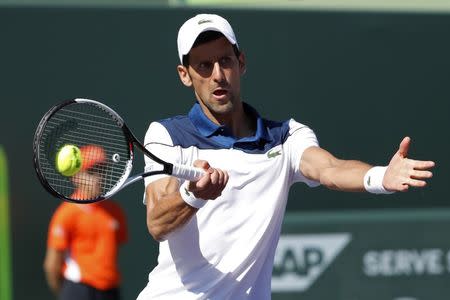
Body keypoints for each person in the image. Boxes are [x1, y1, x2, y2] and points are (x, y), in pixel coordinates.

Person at [137, 14, 435, 299]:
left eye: (225, 61)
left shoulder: (287, 136)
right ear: (185, 75)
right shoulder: (166, 136)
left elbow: (329, 169)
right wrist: (193, 194)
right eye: (204, 65)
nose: (217, 75)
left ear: (241, 63)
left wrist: (380, 176)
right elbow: (158, 223)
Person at [44, 144, 128, 300]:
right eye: (91, 172)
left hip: (110, 291)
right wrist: (66, 295)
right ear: (76, 177)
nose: (98, 177)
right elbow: (52, 265)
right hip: (78, 289)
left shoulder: (115, 211)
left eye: (102, 170)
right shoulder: (66, 213)